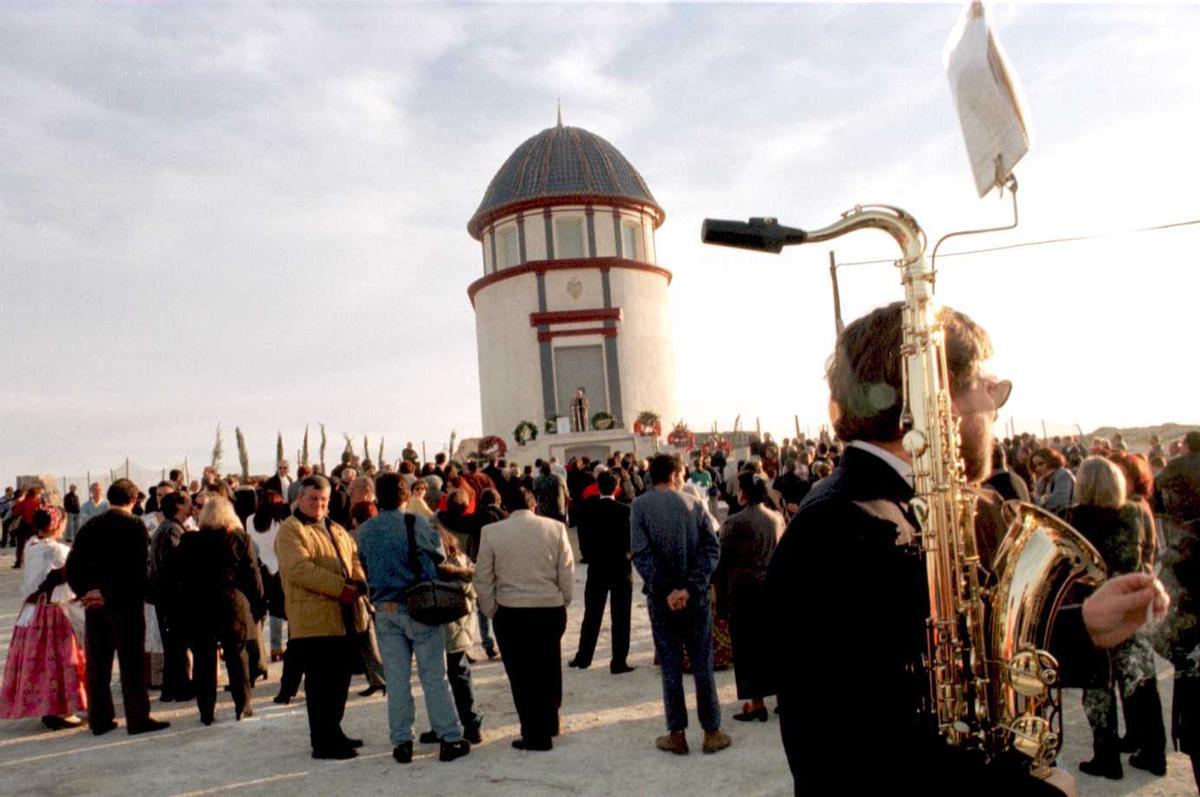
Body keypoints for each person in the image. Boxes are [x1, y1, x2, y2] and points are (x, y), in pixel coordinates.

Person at [766, 301, 1167, 796]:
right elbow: (864, 757)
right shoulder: (837, 530)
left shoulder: (890, 505)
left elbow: (955, 654)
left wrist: (1084, 625)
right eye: (986, 388)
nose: (993, 409)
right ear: (942, 400)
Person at [356, 473, 470, 764]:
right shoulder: (417, 523)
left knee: (396, 680)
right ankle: (450, 737)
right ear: (406, 496)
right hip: (418, 605)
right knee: (434, 676)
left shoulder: (365, 530)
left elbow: (366, 567)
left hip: (385, 610)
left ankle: (402, 742)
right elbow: (437, 557)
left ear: (376, 498)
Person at [1068, 457, 1166, 779]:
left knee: (1098, 687)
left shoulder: (1072, 519)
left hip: (1093, 612)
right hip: (1130, 609)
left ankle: (1106, 758)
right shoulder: (1132, 513)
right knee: (1140, 683)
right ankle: (1153, 754)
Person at [630, 454, 729, 756]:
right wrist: (690, 587)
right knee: (702, 663)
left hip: (661, 602)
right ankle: (711, 731)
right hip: (695, 599)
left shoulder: (639, 507)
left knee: (671, 666)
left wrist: (666, 591)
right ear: (674, 474)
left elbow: (641, 555)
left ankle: (677, 733)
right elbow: (711, 549)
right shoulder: (695, 504)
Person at [64, 478, 169, 736]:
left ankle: (100, 719)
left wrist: (87, 592)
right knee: (131, 662)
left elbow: (72, 565)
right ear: (133, 500)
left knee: (98, 664)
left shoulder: (90, 526)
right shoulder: (134, 525)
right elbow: (136, 569)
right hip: (126, 604)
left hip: (95, 605)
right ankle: (137, 718)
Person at [276, 474, 369, 760]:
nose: (318, 504)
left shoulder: (335, 528)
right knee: (320, 685)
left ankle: (334, 730)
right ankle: (323, 742)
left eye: (323, 500)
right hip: (313, 620)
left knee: (339, 681)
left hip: (342, 617)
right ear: (299, 499)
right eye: (312, 499)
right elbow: (299, 570)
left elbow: (353, 557)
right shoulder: (291, 530)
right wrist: (340, 588)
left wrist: (359, 581)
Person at [476, 487, 574, 751]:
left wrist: (491, 609)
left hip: (511, 611)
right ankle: (551, 721)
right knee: (549, 667)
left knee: (522, 676)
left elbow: (482, 577)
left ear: (506, 508)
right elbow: (566, 570)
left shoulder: (492, 532)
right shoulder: (555, 528)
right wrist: (563, 599)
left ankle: (534, 733)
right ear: (535, 507)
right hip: (549, 607)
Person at [174, 495, 264, 725]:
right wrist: (257, 605)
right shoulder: (239, 539)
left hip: (199, 605)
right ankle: (242, 706)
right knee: (237, 657)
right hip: (231, 603)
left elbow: (180, 577)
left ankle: (206, 712)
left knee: (204, 660)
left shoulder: (188, 541)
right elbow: (253, 577)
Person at [0, 507, 87, 730]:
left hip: (32, 611)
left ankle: (48, 708)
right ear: (57, 525)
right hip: (54, 611)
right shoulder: (58, 550)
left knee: (38, 661)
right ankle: (61, 709)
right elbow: (70, 580)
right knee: (60, 660)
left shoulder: (31, 545)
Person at [715, 470, 784, 722]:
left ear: (742, 491)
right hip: (771, 586)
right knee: (774, 642)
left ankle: (757, 703)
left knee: (748, 646)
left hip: (744, 589)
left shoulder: (734, 522)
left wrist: (720, 598)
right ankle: (781, 697)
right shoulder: (776, 518)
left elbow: (723, 562)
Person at [568, 471, 635, 674]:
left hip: (597, 566)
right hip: (621, 567)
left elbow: (582, 537)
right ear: (616, 488)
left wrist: (589, 554)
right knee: (621, 615)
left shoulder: (587, 509)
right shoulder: (625, 511)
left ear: (598, 486)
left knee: (592, 614)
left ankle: (584, 657)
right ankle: (619, 661)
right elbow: (632, 540)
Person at [148, 491, 194, 703]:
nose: (192, 506)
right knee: (177, 644)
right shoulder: (172, 530)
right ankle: (181, 688)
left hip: (163, 596)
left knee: (172, 644)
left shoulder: (165, 528)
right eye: (188, 503)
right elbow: (176, 564)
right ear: (178, 506)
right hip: (172, 596)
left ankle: (170, 689)